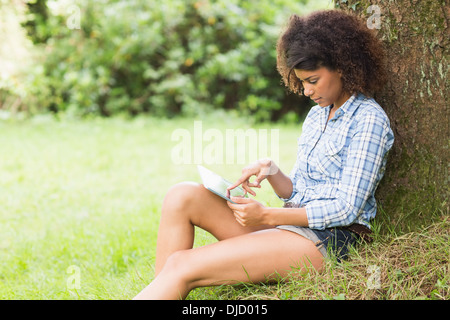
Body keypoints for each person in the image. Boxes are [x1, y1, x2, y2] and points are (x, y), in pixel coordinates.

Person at [133, 9, 394, 300]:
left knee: (183, 264)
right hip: (291, 228)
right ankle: (164, 288)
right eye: (302, 81)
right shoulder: (317, 116)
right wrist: (271, 171)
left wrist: (267, 216)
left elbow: (346, 209)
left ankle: (172, 280)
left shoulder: (368, 120)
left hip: (331, 240)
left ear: (343, 67)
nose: (306, 90)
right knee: (181, 196)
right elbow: (299, 192)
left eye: (313, 80)